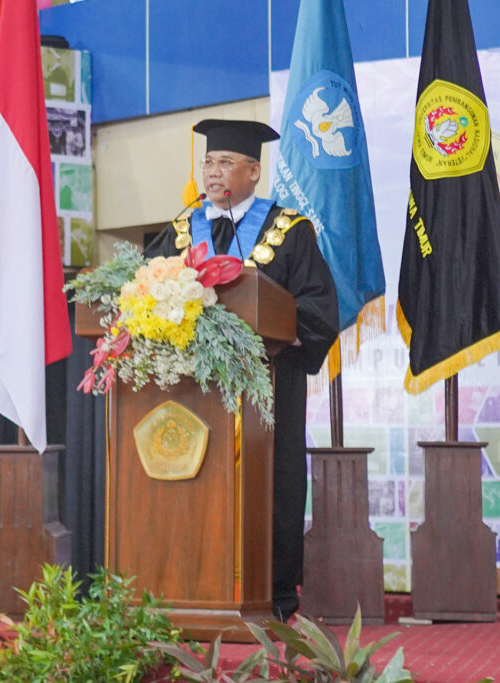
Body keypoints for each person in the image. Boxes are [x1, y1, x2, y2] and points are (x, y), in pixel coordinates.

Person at [145, 119, 340, 622]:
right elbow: (143, 291)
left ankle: (273, 597)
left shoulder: (290, 232)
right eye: (209, 162)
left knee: (272, 487)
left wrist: (277, 330)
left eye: (226, 162)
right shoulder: (181, 231)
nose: (214, 172)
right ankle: (193, 589)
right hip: (192, 394)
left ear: (254, 171)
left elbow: (318, 308)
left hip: (267, 393)